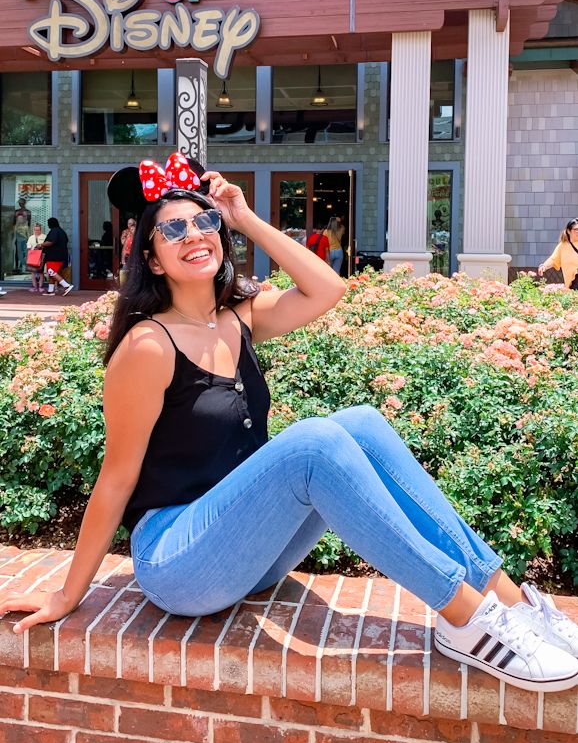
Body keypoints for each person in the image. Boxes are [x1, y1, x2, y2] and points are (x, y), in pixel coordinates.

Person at [1, 151, 577, 695]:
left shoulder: (238, 315)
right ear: (151, 258)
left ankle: (510, 604)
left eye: (203, 221)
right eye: (172, 230)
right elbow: (116, 479)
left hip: (245, 550)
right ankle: (469, 621)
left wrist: (244, 217)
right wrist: (67, 594)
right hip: (177, 559)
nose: (194, 235)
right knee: (314, 442)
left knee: (363, 421)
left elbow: (328, 288)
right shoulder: (149, 346)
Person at [538, 218, 578, 290]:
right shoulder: (563, 246)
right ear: (569, 231)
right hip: (573, 282)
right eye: (576, 229)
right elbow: (554, 259)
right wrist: (544, 266)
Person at [41, 217, 73, 296]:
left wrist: (40, 245)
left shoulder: (54, 231)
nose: (48, 225)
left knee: (51, 272)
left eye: (49, 223)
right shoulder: (62, 232)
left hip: (54, 256)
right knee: (52, 273)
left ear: (51, 224)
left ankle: (66, 285)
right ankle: (50, 290)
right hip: (62, 256)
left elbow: (51, 242)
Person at [26, 223, 46, 293]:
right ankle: (35, 287)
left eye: (38, 230)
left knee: (41, 272)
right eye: (35, 230)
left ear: (41, 230)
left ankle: (40, 287)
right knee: (33, 271)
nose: (37, 231)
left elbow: (46, 246)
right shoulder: (31, 237)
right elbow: (28, 246)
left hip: (41, 256)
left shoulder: (44, 237)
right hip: (33, 256)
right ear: (33, 230)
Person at [13, 197, 31, 273]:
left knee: (25, 251)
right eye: (19, 202)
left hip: (25, 232)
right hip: (17, 232)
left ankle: (24, 266)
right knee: (17, 251)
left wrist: (28, 234)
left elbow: (29, 222)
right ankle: (17, 266)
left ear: (24, 203)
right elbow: (13, 223)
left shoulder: (28, 212)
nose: (20, 204)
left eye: (22, 202)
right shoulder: (16, 212)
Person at [119, 217, 136, 286]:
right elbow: (123, 243)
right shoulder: (125, 232)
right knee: (124, 271)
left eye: (132, 224)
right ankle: (123, 286)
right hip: (127, 255)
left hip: (135, 254)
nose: (130, 225)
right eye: (129, 223)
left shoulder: (137, 233)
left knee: (134, 271)